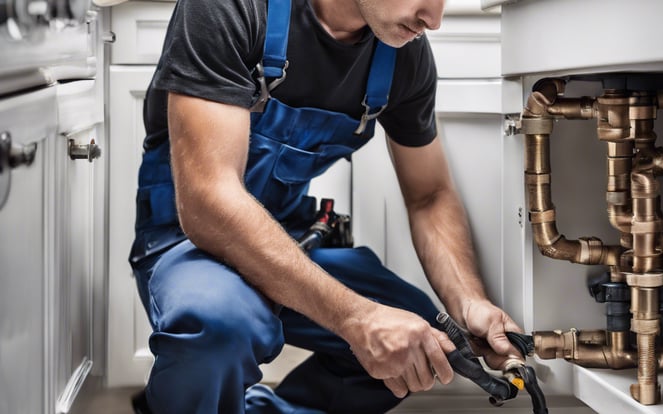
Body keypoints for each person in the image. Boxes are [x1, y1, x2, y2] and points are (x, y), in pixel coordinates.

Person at [128, 0, 523, 412]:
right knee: (218, 326)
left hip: (288, 240)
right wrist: (357, 319)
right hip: (187, 244)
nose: (434, 20)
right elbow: (209, 203)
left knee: (419, 341)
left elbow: (429, 196)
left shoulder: (402, 54)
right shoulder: (232, 8)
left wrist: (469, 302)